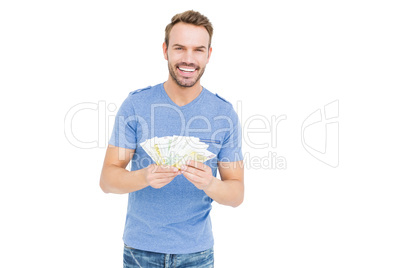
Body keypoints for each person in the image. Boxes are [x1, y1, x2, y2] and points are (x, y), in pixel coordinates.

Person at [100, 10, 244, 268]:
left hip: (197, 255)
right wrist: (144, 176)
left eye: (198, 50)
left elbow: (236, 194)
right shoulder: (136, 105)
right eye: (180, 48)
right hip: (140, 252)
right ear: (165, 50)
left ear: (209, 55)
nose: (188, 59)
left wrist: (209, 183)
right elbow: (107, 180)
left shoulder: (224, 114)